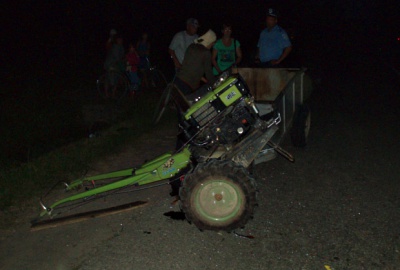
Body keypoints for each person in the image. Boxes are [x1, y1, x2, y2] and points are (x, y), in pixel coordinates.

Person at [174, 29, 217, 96]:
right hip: (188, 86)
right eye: (212, 43)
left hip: (178, 80)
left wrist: (205, 81)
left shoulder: (191, 46)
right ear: (209, 41)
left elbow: (192, 68)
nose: (212, 45)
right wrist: (216, 84)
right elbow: (209, 73)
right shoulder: (206, 52)